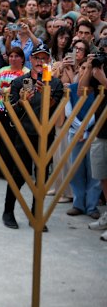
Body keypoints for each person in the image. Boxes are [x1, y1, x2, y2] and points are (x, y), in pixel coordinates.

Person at [2, 44, 64, 231]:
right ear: (31, 60)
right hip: (24, 133)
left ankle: (36, 214)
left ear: (49, 61)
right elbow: (9, 110)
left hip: (45, 135)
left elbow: (57, 109)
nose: (40, 62)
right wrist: (23, 102)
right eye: (37, 58)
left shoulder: (56, 84)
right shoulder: (21, 82)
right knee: (18, 174)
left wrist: (47, 95)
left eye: (44, 58)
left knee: (42, 178)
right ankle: (8, 210)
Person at [0, 48, 30, 176]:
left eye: (16, 56)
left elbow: (28, 91)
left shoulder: (27, 73)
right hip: (0, 108)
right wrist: (1, 91)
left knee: (12, 140)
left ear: (22, 59)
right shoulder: (2, 71)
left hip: (16, 111)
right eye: (11, 56)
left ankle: (10, 169)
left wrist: (9, 91)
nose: (13, 59)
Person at [78, 43, 107, 241]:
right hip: (101, 130)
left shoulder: (102, 74)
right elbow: (81, 91)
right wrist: (89, 67)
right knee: (102, 175)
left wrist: (104, 80)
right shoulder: (98, 66)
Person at [65, 60, 101, 219]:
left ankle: (92, 206)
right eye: (84, 68)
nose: (86, 71)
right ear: (79, 69)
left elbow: (97, 111)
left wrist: (86, 130)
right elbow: (68, 111)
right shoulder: (72, 89)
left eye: (90, 68)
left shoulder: (98, 91)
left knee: (94, 171)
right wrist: (79, 128)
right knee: (76, 169)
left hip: (93, 133)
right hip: (75, 133)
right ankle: (78, 203)